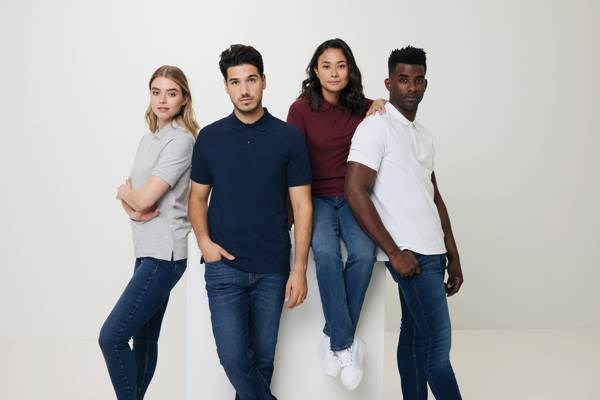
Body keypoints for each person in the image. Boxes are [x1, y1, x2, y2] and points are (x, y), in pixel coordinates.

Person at [188, 44, 312, 400]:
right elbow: (196, 198)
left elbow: (302, 205)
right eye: (235, 82)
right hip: (224, 267)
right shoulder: (210, 137)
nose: (244, 90)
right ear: (226, 87)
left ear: (264, 81)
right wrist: (205, 244)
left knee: (262, 362)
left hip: (272, 267)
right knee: (233, 358)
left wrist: (299, 268)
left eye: (251, 80)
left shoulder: (289, 138)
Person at [345, 46, 464, 399]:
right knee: (437, 351)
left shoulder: (423, 134)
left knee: (414, 340)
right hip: (410, 253)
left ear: (425, 83)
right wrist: (394, 252)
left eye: (418, 80)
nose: (411, 87)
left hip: (433, 251)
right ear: (389, 83)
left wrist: (453, 253)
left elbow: (433, 196)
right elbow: (354, 190)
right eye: (403, 79)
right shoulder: (375, 128)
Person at [286, 38, 385, 390]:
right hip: (317, 199)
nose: (333, 73)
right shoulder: (300, 110)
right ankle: (345, 345)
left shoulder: (361, 106)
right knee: (326, 253)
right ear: (315, 70)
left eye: (341, 66)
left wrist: (381, 103)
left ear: (350, 70)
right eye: (326, 66)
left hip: (354, 197)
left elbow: (385, 111)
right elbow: (291, 163)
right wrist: (289, 213)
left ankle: (334, 337)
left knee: (364, 254)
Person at [99, 65, 199, 399]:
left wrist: (127, 196)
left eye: (171, 93)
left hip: (165, 254)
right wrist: (131, 203)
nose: (162, 100)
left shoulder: (181, 141)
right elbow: (137, 199)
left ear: (184, 99)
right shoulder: (148, 140)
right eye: (156, 92)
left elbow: (141, 196)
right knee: (143, 340)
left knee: (111, 337)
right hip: (145, 251)